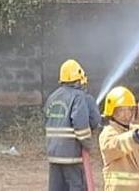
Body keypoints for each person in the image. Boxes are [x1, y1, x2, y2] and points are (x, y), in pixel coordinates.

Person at [44, 59, 101, 191]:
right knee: (77, 186)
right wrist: (87, 143)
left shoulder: (53, 96)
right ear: (79, 79)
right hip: (72, 155)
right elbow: (81, 123)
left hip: (54, 155)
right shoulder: (79, 96)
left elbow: (47, 121)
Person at [98, 86, 139, 191]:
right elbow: (116, 145)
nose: (127, 114)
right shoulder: (108, 133)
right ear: (112, 111)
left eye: (130, 109)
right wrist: (138, 135)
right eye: (121, 110)